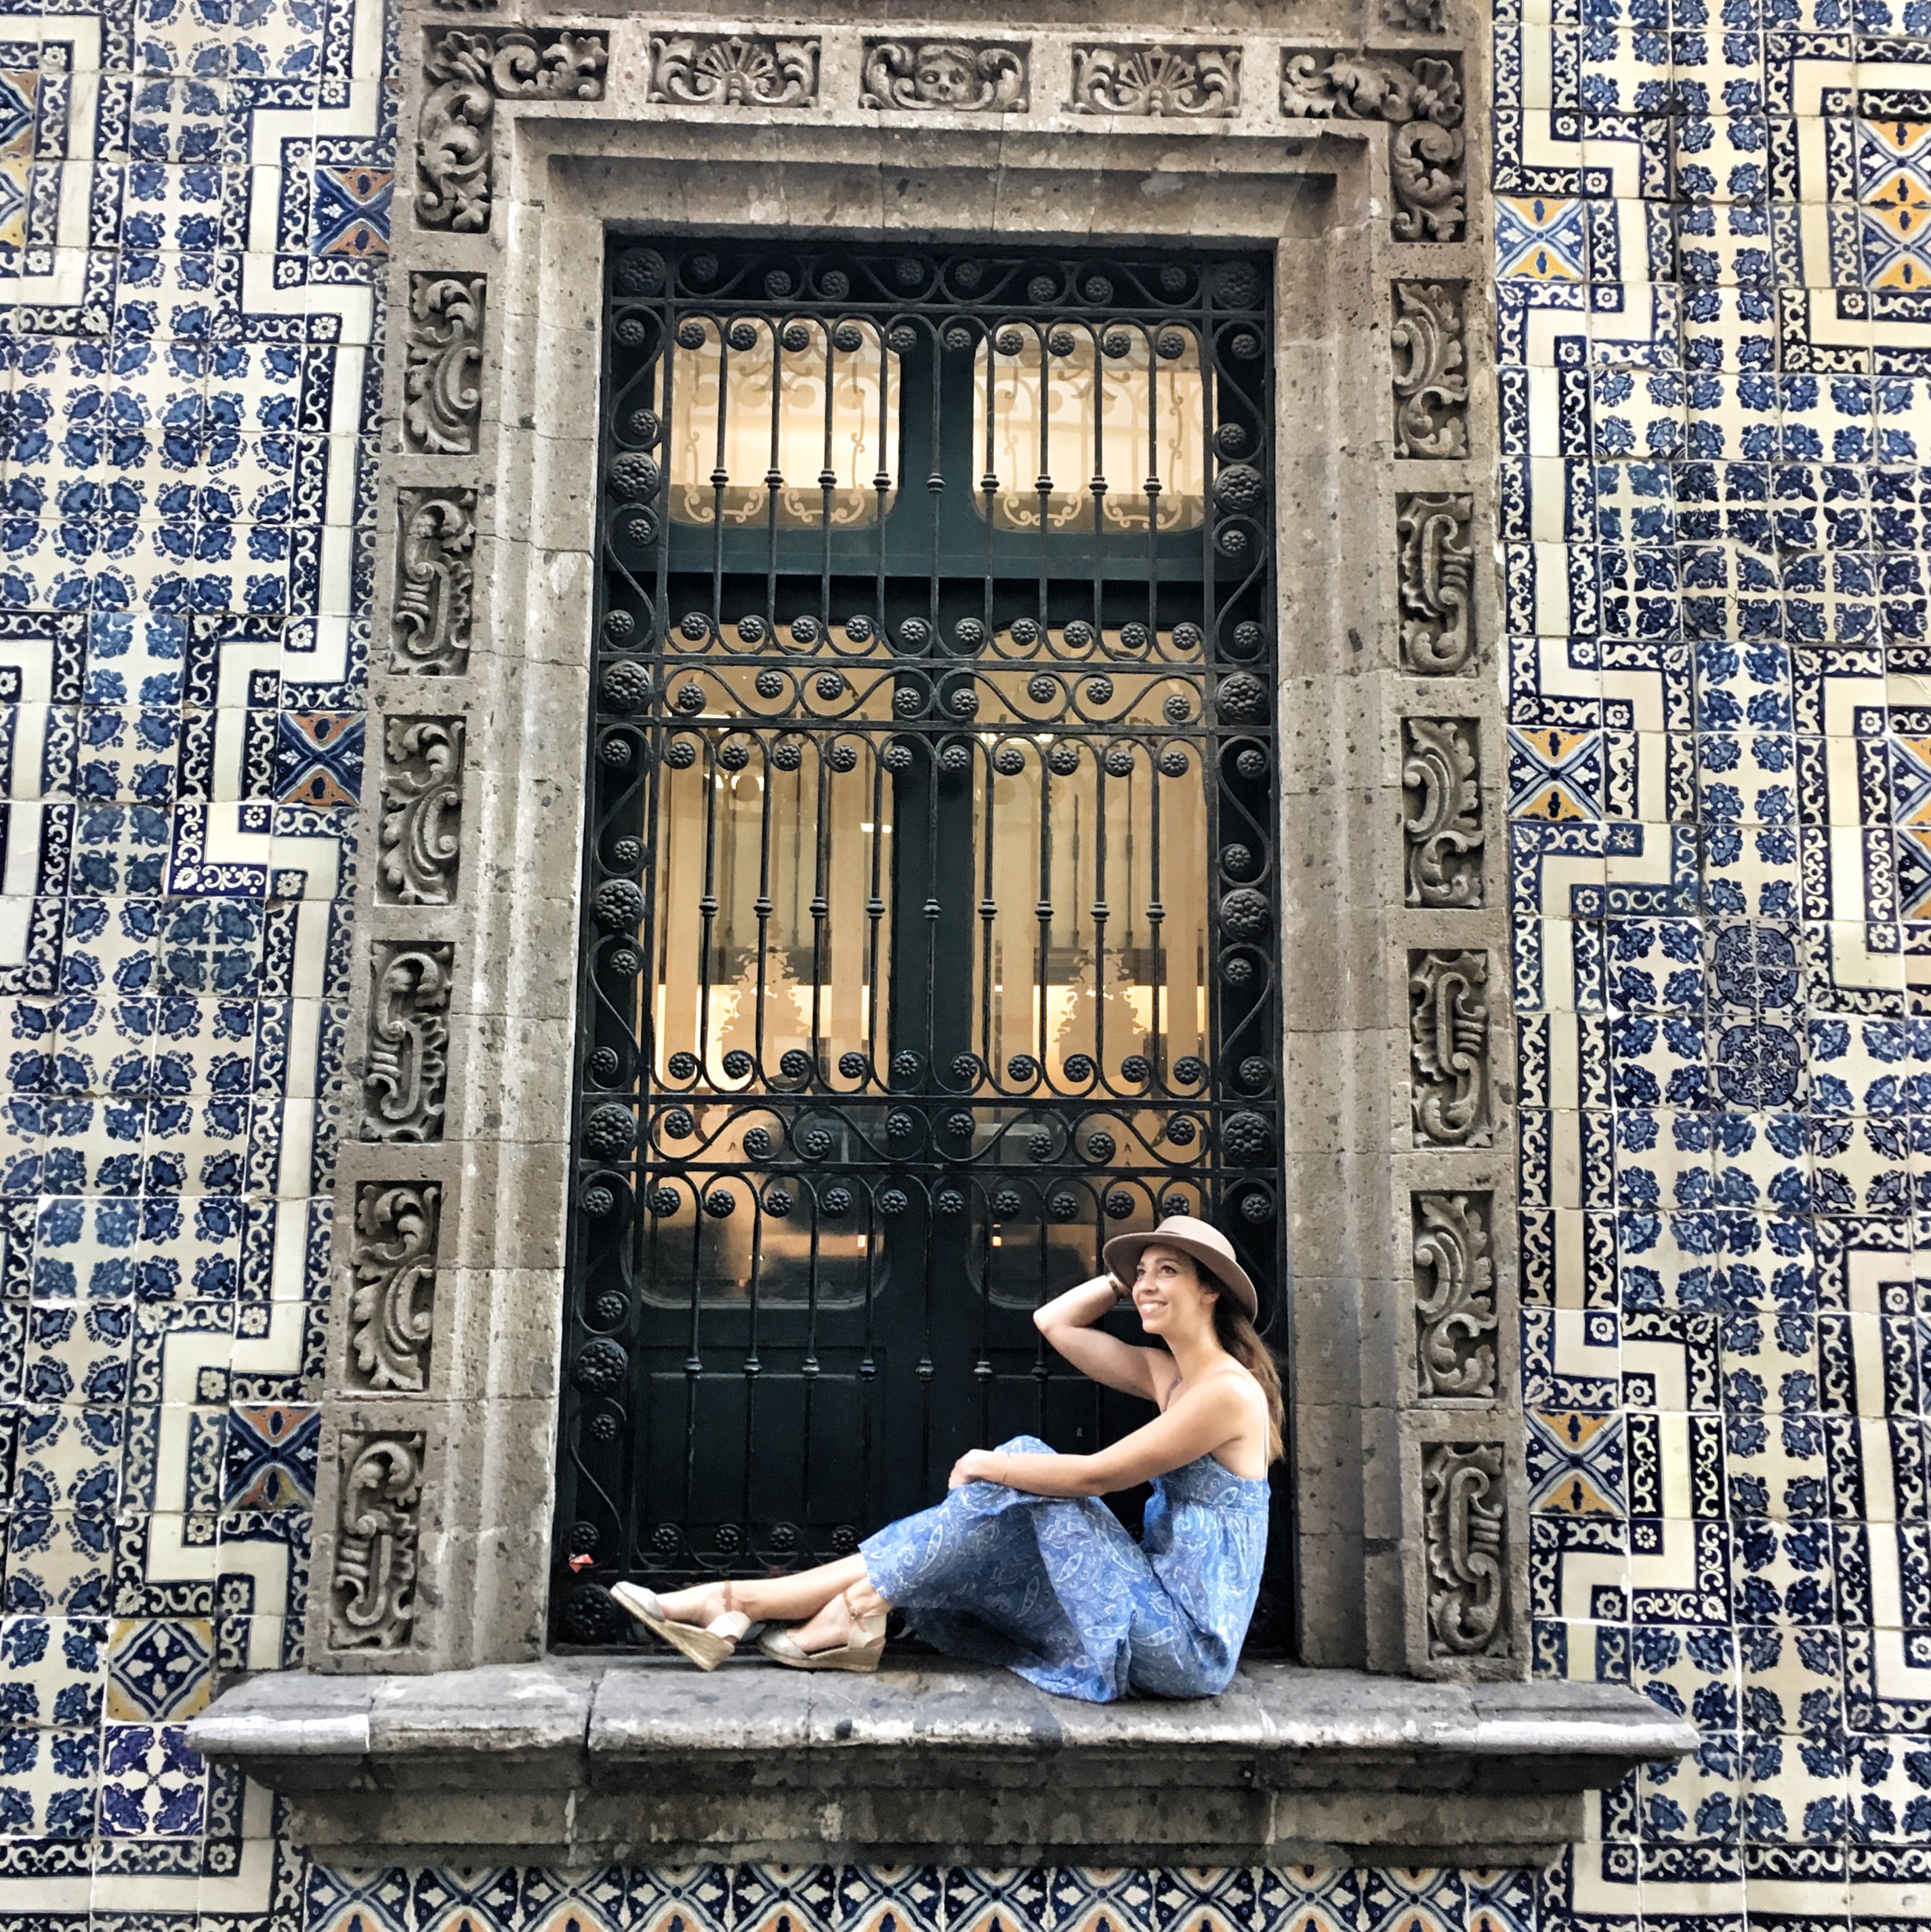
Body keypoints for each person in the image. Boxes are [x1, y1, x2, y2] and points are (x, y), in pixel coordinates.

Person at [611, 1213, 1283, 1703]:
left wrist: (988, 1463)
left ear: (1210, 1290)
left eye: (1168, 1272)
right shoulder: (1173, 1375)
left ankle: (754, 1602)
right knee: (1004, 1504)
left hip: (1187, 1648)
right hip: (1153, 1610)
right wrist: (1121, 1275)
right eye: (1143, 1273)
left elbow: (1096, 1475)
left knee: (1021, 1464)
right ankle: (810, 1607)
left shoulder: (1224, 1392)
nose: (1147, 1285)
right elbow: (1055, 1324)